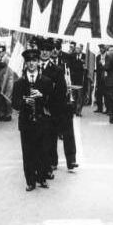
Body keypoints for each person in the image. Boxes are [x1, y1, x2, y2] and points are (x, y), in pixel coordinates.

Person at [11, 49, 54, 191]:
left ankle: (42, 178)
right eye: (29, 61)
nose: (31, 64)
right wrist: (24, 101)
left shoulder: (46, 81)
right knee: (28, 152)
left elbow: (52, 102)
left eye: (34, 61)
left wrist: (41, 96)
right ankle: (30, 181)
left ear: (38, 62)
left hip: (42, 122)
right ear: (26, 63)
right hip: (26, 123)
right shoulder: (19, 83)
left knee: (42, 151)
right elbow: (15, 104)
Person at [39, 38, 78, 173]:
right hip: (43, 106)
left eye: (49, 50)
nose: (46, 52)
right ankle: (52, 161)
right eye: (43, 50)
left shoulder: (60, 66)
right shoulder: (34, 66)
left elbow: (61, 88)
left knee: (67, 130)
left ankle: (71, 159)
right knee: (50, 135)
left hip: (59, 104)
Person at [94, 44, 107, 113]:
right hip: (99, 77)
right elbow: (97, 68)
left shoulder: (107, 56)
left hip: (106, 77)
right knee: (99, 93)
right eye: (100, 48)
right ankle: (99, 108)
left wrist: (103, 64)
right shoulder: (98, 57)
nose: (101, 49)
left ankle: (107, 108)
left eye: (102, 48)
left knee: (106, 93)